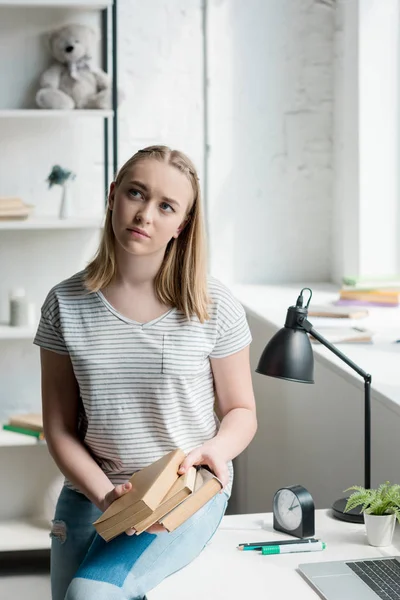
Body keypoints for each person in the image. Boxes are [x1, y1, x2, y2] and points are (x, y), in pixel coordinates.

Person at [34, 145, 257, 600]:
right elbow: (58, 427)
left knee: (90, 595)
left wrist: (216, 450)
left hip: (182, 492)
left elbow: (241, 410)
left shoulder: (212, 305)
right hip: (92, 488)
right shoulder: (64, 303)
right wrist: (104, 495)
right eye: (136, 193)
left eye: (166, 206)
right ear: (113, 195)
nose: (145, 214)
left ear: (183, 225)